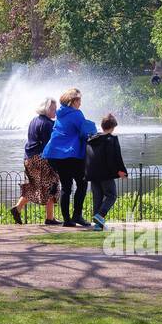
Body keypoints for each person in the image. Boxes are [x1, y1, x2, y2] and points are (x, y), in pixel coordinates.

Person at [42, 88, 97, 227]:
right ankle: (77, 215)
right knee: (82, 184)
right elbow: (85, 132)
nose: (80, 103)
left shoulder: (60, 114)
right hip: (71, 154)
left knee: (66, 186)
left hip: (56, 155)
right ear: (72, 101)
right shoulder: (76, 114)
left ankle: (67, 220)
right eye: (79, 100)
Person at [12, 97, 60, 224]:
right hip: (41, 158)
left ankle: (17, 208)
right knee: (53, 184)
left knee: (35, 185)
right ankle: (50, 218)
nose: (55, 111)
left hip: (28, 158)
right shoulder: (48, 124)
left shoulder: (34, 120)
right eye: (52, 108)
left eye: (55, 108)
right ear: (45, 108)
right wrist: (55, 165)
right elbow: (48, 146)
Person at [85, 113, 128, 231]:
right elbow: (115, 157)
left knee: (97, 198)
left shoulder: (91, 139)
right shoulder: (111, 139)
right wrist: (120, 171)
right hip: (105, 173)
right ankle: (100, 215)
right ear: (113, 127)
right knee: (112, 195)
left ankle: (98, 225)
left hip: (93, 173)